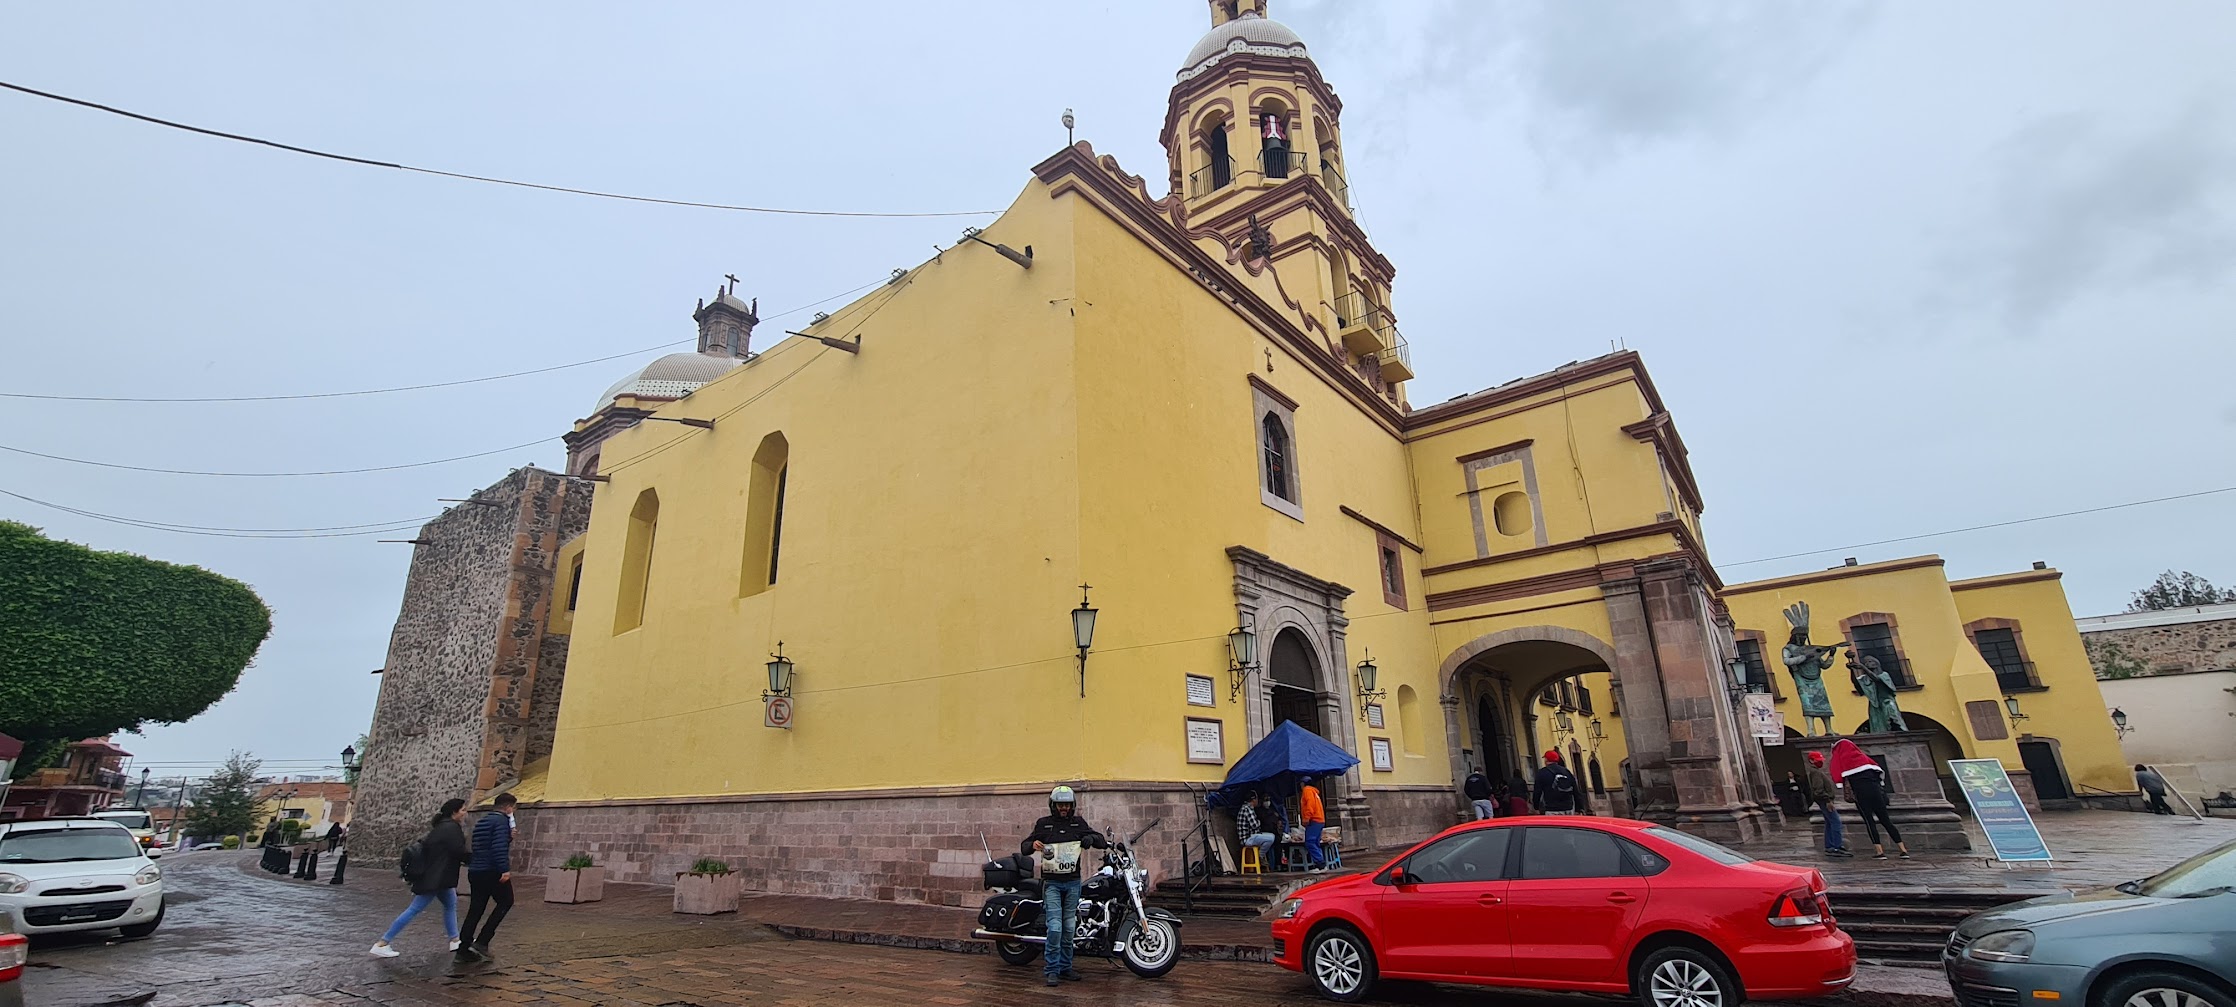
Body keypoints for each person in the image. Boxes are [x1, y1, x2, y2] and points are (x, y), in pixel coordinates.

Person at [1021, 786, 1106, 986]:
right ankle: (1051, 969)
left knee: (1069, 927)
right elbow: (1024, 847)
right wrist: (1033, 845)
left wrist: (1090, 839)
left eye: (1067, 805)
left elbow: (1101, 841)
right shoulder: (1044, 824)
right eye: (1060, 805)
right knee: (1055, 927)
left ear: (1072, 805)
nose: (1064, 808)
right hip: (1052, 883)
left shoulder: (1078, 824)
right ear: (1053, 805)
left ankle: (1065, 967)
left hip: (1072, 883)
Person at [370, 798, 469, 957]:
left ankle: (455, 940)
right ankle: (382, 943)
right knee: (415, 909)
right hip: (437, 877)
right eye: (463, 810)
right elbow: (459, 851)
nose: (465, 813)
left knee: (450, 904)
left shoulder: (440, 826)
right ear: (454, 812)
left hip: (439, 877)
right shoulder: (451, 828)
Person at [455, 793, 518, 962]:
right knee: (506, 901)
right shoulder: (502, 821)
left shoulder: (484, 821)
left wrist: (508, 838)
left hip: (476, 869)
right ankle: (483, 940)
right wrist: (504, 870)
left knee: (476, 908)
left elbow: (483, 844)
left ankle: (463, 948)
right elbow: (498, 847)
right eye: (514, 808)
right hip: (492, 870)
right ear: (508, 808)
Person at [1830, 739, 1909, 860]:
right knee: (1886, 821)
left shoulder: (1844, 760)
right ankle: (1903, 850)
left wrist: (1840, 783)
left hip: (1861, 795)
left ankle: (1879, 852)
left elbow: (1836, 770)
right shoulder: (1864, 758)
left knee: (1869, 822)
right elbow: (1879, 773)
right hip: (1876, 793)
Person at [1805, 751, 1850, 857]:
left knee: (1830, 823)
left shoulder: (1815, 771)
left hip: (1823, 800)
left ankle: (1830, 845)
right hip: (1825, 801)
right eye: (1818, 760)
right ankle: (1836, 846)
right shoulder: (1815, 772)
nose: (1820, 762)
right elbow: (1818, 789)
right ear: (1811, 761)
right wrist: (1827, 800)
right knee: (1835, 822)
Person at [1533, 750, 1581, 815]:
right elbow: (1576, 791)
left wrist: (1536, 807)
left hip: (1552, 809)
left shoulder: (1542, 773)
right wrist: (1578, 809)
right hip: (1568, 808)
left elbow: (1537, 792)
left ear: (1546, 760)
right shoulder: (1566, 772)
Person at [1236, 792, 1277, 863]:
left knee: (1270, 836)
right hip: (1247, 839)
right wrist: (1259, 822)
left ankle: (1260, 856)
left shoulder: (1247, 808)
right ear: (1253, 800)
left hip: (1250, 837)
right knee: (1271, 838)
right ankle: (1260, 856)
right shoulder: (1247, 809)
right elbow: (1255, 825)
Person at [1298, 777, 1327, 872]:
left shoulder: (1307, 790)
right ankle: (1321, 864)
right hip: (1319, 820)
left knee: (1310, 842)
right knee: (1315, 843)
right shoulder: (1314, 792)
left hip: (1314, 820)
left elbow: (1310, 805)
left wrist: (1306, 818)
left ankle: (1320, 864)